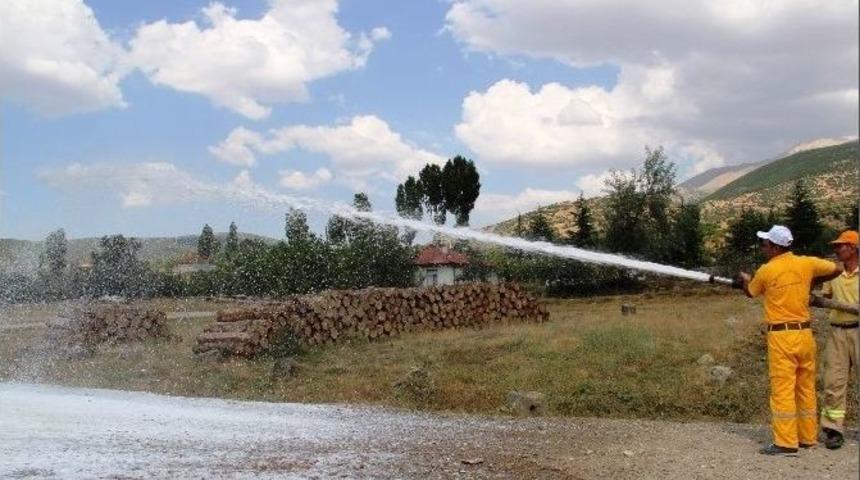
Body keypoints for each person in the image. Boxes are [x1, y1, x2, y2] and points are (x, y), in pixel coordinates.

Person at [738, 225, 841, 456]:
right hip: (804, 334)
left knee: (783, 389)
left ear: (775, 247)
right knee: (805, 387)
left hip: (781, 336)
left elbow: (751, 292)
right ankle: (807, 438)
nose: (763, 247)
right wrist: (810, 284)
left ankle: (786, 442)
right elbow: (836, 268)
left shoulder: (766, 270)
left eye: (765, 244)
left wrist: (745, 279)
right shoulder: (806, 263)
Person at [820, 230, 859, 450]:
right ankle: (833, 430)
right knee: (834, 381)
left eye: (841, 246)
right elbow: (824, 298)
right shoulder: (833, 274)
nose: (836, 249)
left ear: (853, 248)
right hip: (837, 332)